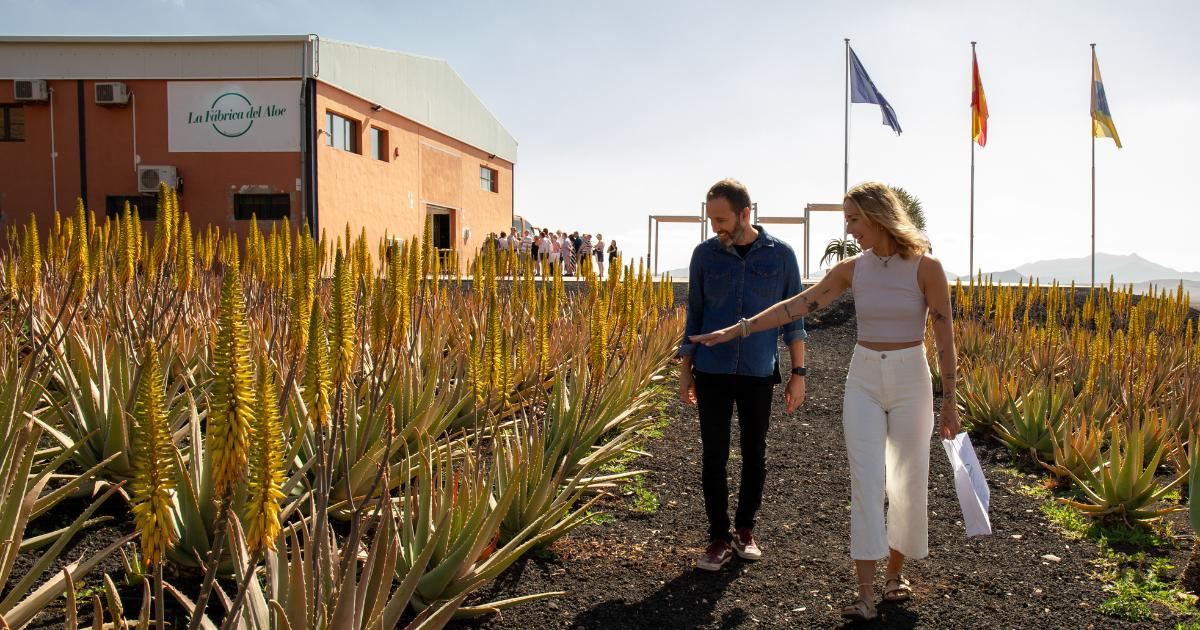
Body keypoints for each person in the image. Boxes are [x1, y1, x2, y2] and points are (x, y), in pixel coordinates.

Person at [690, 181, 959, 621]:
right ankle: (866, 594)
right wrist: (737, 330)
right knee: (866, 482)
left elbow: (945, 336)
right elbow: (796, 306)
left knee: (908, 480)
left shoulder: (927, 268)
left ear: (877, 217)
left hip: (912, 376)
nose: (849, 230)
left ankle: (896, 575)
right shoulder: (854, 269)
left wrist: (949, 399)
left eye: (853, 220)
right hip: (864, 376)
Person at [677, 178, 808, 572]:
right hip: (712, 369)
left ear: (745, 213)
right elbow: (694, 316)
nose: (715, 226)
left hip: (757, 371)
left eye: (721, 218)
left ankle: (745, 529)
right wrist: (685, 371)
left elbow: (794, 318)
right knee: (713, 455)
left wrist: (798, 372)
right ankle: (718, 536)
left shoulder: (781, 256)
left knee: (756, 453)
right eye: (711, 218)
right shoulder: (703, 256)